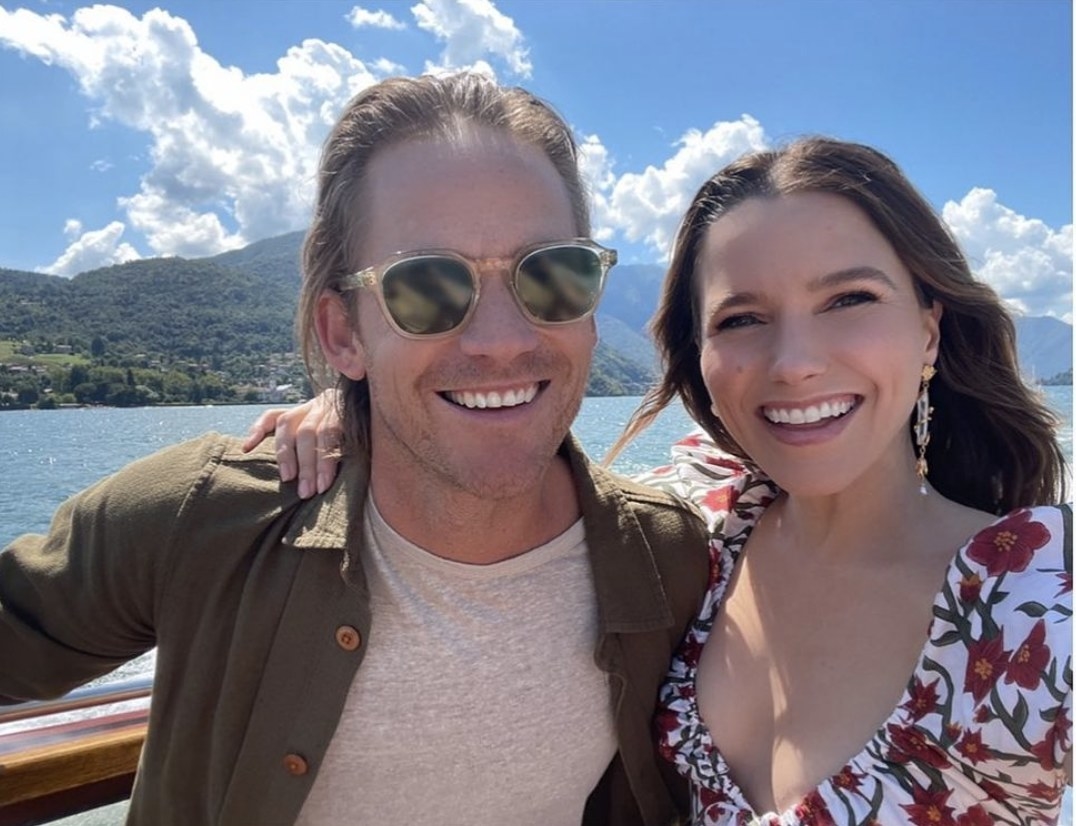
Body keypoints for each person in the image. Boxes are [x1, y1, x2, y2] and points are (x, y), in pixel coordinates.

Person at [265, 137, 1072, 825]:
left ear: (928, 328)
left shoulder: (1036, 597)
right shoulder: (709, 518)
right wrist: (361, 404)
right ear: (702, 360)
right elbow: (510, 479)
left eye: (849, 299)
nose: (794, 362)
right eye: (741, 319)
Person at [0, 73, 711, 826]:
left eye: (552, 275)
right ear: (344, 334)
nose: (502, 340)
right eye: (427, 288)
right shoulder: (203, 518)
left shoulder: (667, 557)